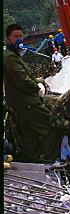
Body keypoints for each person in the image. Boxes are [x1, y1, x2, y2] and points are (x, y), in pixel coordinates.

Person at [4, 24, 59, 164]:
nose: (19, 39)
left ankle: (35, 160)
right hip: (27, 100)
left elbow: (25, 75)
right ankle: (50, 161)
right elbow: (22, 79)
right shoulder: (10, 57)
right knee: (49, 126)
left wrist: (38, 80)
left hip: (20, 101)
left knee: (30, 133)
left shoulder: (13, 54)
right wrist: (36, 87)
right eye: (15, 36)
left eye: (21, 36)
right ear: (7, 39)